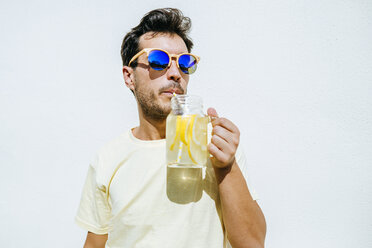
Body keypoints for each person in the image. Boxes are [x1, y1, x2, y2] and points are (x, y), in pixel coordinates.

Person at [75, 8, 266, 248]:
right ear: (129, 76)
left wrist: (226, 167)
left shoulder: (216, 145)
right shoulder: (108, 158)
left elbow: (252, 244)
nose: (176, 73)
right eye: (159, 60)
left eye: (185, 64)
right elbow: (94, 243)